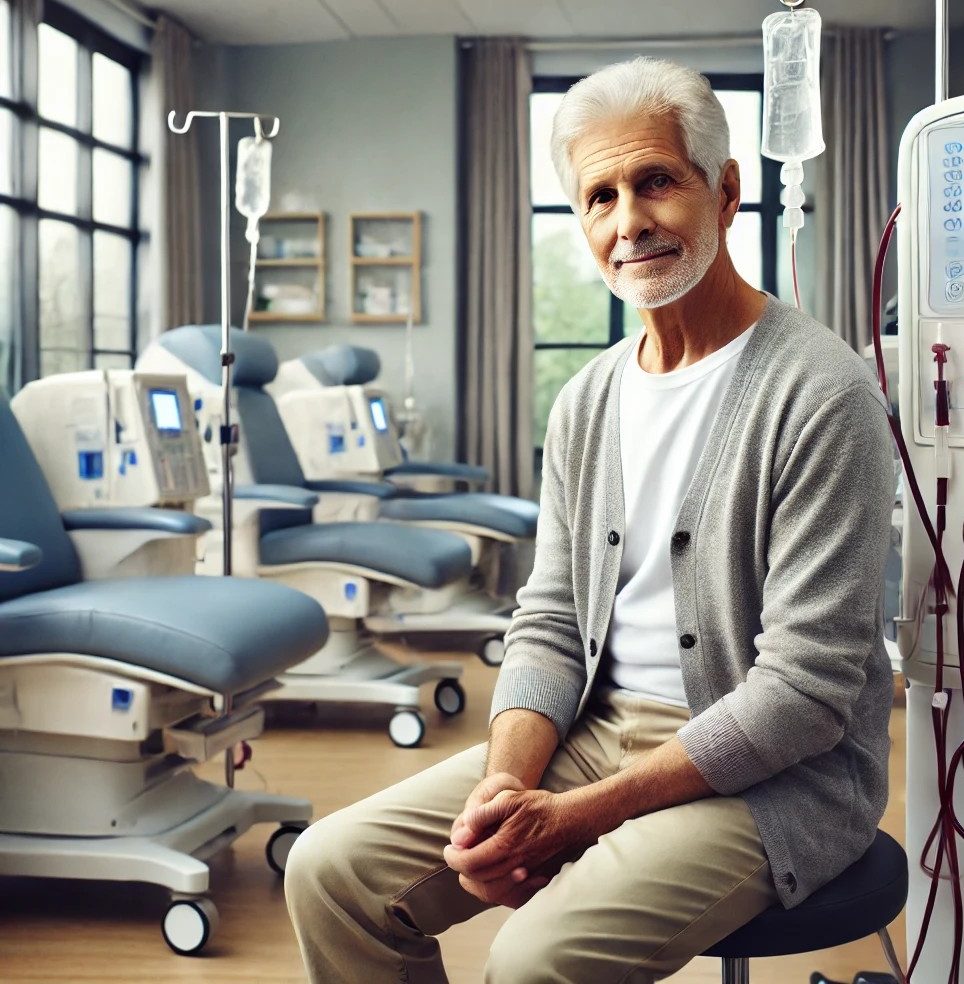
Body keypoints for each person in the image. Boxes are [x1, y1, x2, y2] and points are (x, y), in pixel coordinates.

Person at [284, 56, 896, 984]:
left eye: (655, 181)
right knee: (329, 873)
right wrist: (508, 783)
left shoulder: (823, 393)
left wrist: (579, 816)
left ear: (725, 191)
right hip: (594, 734)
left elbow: (804, 696)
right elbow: (553, 621)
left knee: (534, 959)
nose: (629, 221)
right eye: (599, 196)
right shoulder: (586, 402)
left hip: (779, 779)